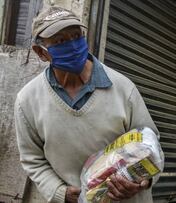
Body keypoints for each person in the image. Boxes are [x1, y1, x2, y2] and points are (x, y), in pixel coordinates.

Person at [14, 6, 164, 203]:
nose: (73, 45)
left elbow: (151, 146)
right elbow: (32, 159)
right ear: (41, 53)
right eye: (60, 41)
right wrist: (61, 192)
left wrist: (141, 182)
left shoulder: (123, 88)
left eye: (76, 36)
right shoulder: (27, 101)